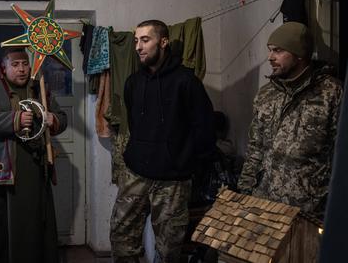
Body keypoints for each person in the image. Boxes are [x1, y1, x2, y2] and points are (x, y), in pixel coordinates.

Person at [110, 20, 215, 263]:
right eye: (136, 41)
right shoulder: (133, 83)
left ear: (164, 42)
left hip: (173, 180)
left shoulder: (186, 82)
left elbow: (205, 130)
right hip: (136, 174)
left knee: (169, 250)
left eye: (145, 40)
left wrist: (186, 164)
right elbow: (135, 126)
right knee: (121, 238)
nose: (138, 46)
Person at [0, 47, 67, 263]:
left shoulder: (39, 89)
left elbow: (62, 117)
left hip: (35, 169)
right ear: (3, 67)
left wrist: (54, 120)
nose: (21, 69)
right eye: (15, 65)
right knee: (1, 229)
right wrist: (14, 120)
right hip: (3, 175)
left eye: (25, 64)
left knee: (35, 225)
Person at [238, 22, 342, 218]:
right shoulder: (266, 95)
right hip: (265, 204)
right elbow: (255, 148)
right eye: (270, 51)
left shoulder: (332, 93)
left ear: (299, 54)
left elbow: (341, 154)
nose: (270, 57)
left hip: (309, 210)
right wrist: (245, 191)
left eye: (278, 51)